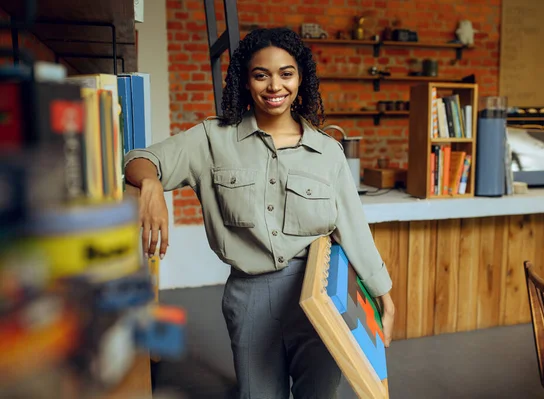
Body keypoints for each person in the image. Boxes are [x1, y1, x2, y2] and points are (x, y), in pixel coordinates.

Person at [124, 27, 395, 399]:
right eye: (261, 74)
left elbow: (352, 227)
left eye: (286, 73)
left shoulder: (327, 152)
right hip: (250, 298)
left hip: (320, 295)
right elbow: (140, 159)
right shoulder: (212, 139)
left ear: (301, 79)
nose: (274, 86)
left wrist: (382, 292)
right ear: (246, 81)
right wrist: (151, 184)